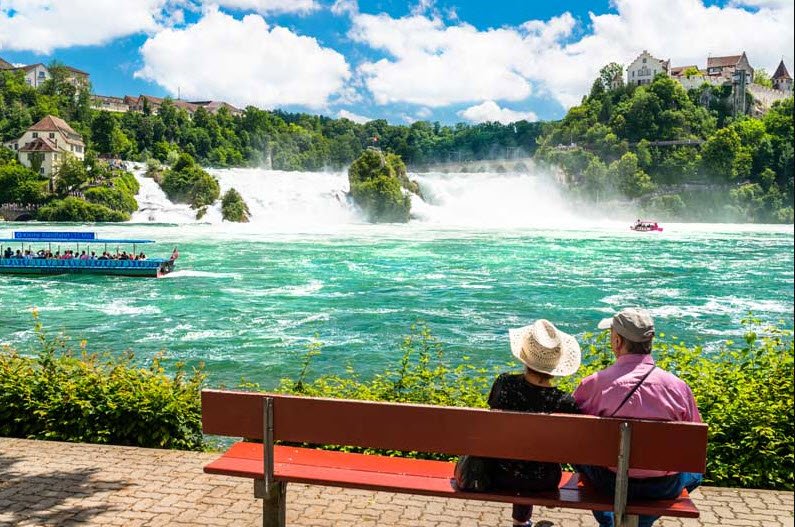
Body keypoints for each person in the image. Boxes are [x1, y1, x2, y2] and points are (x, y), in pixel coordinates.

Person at [573, 308, 702, 527]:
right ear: (650, 341)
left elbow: (573, 432)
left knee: (583, 460)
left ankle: (611, 521)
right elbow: (693, 443)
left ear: (617, 341)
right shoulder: (678, 388)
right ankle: (640, 522)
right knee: (694, 475)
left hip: (609, 484)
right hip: (661, 487)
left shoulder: (594, 384)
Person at [456, 319, 581, 527]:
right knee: (530, 460)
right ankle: (521, 522)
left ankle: (521, 522)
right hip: (544, 480)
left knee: (518, 454)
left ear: (525, 357)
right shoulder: (564, 402)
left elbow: (493, 424)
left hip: (499, 474)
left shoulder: (504, 385)